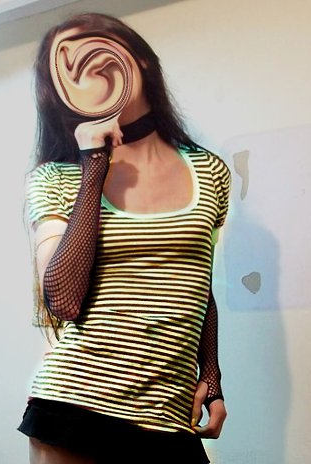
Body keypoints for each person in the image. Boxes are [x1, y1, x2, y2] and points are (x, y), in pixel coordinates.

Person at [19, 12, 231, 464]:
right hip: (75, 411)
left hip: (169, 414)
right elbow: (63, 299)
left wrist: (211, 377)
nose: (85, 71)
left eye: (92, 52)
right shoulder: (55, 177)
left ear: (141, 59)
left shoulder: (210, 171)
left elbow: (199, 285)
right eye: (66, 68)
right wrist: (94, 163)